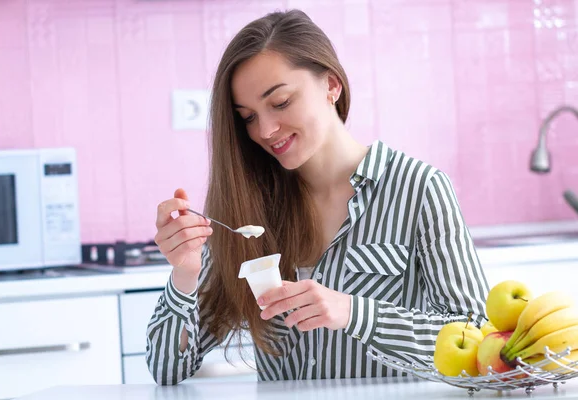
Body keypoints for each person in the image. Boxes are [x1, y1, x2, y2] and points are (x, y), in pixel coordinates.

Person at [147, 9, 489, 384]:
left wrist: (354, 313)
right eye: (247, 117)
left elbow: (475, 341)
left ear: (331, 85)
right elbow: (168, 369)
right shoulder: (249, 207)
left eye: (280, 103)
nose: (265, 130)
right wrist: (185, 273)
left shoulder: (419, 188)